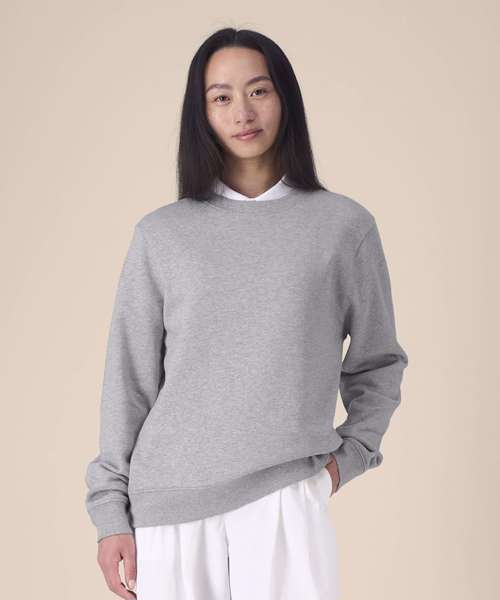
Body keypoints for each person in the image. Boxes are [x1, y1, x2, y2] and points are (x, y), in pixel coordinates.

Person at [84, 27, 409, 600]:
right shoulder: (163, 235)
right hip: (168, 504)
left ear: (285, 98)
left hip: (287, 496)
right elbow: (129, 380)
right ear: (202, 113)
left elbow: (378, 361)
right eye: (221, 97)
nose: (242, 112)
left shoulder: (343, 227)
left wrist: (347, 459)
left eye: (258, 91)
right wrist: (111, 511)